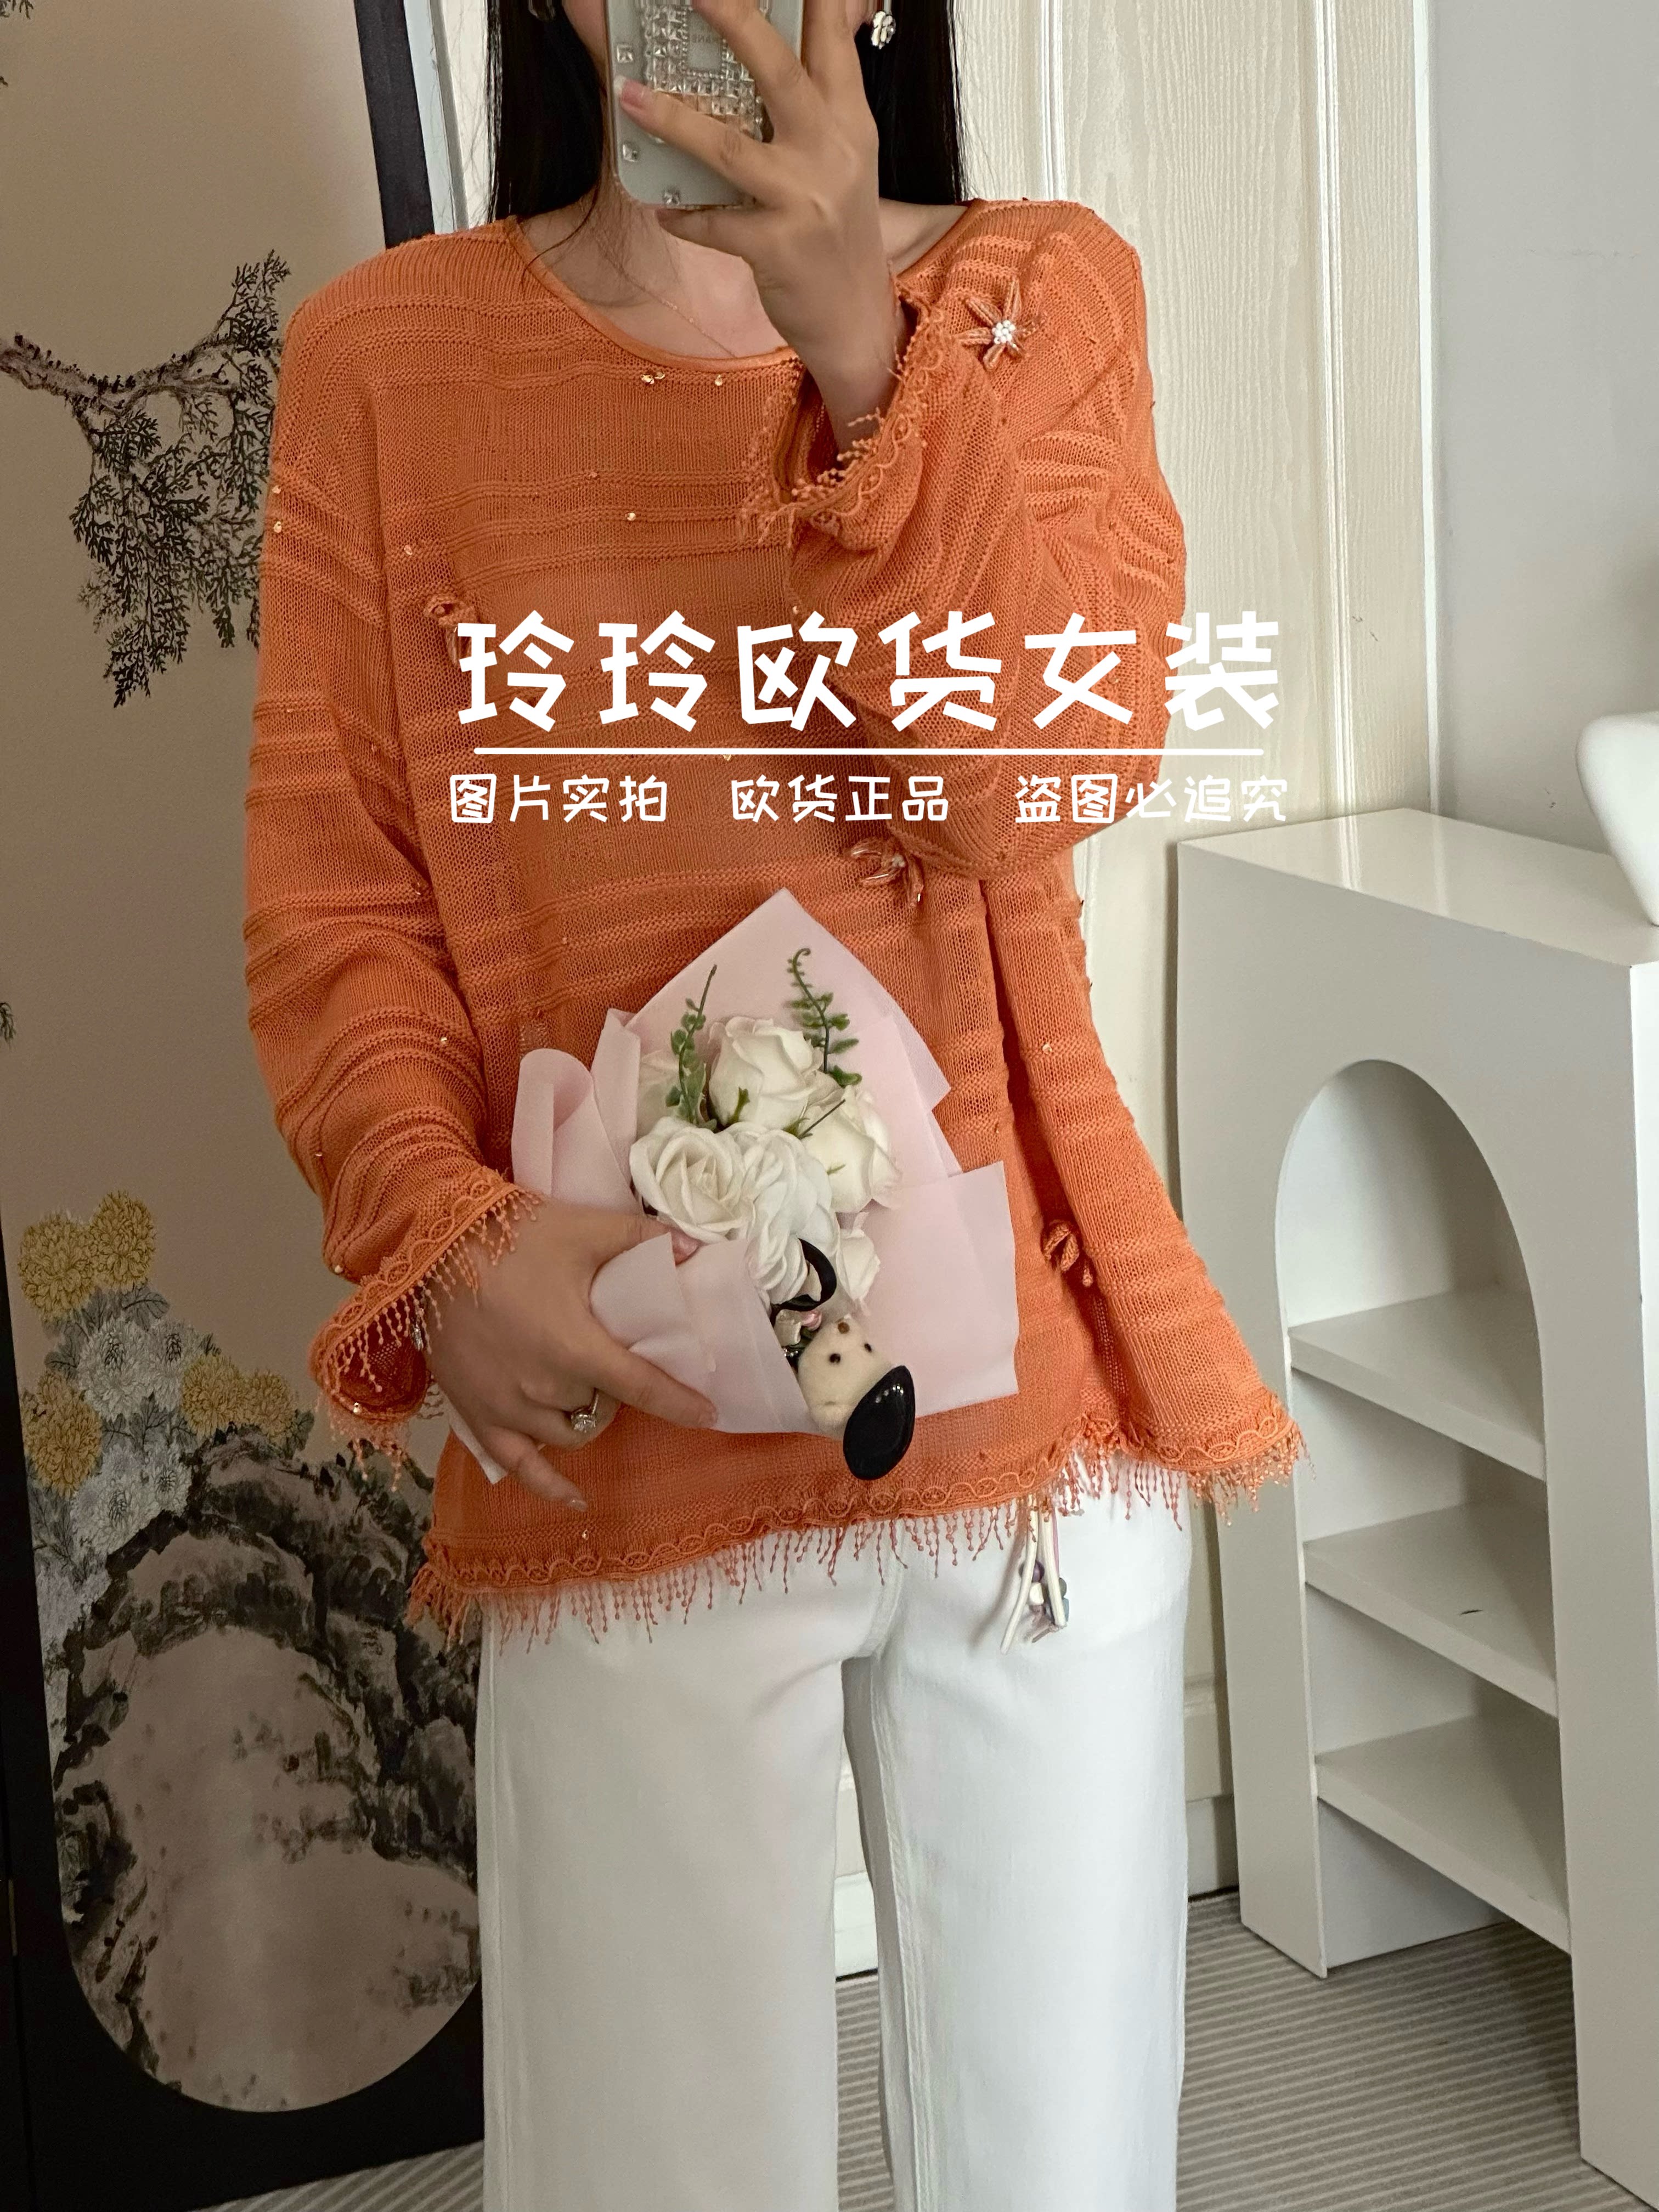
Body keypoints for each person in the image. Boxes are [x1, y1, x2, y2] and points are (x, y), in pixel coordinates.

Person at [244, 1, 1302, 2204]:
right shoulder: (383, 363)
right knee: (654, 2163)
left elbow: (1037, 780)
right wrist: (437, 1234)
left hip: (1022, 1428)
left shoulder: (1036, 293)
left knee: (1062, 2163)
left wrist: (865, 358)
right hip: (628, 1404)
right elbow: (338, 898)